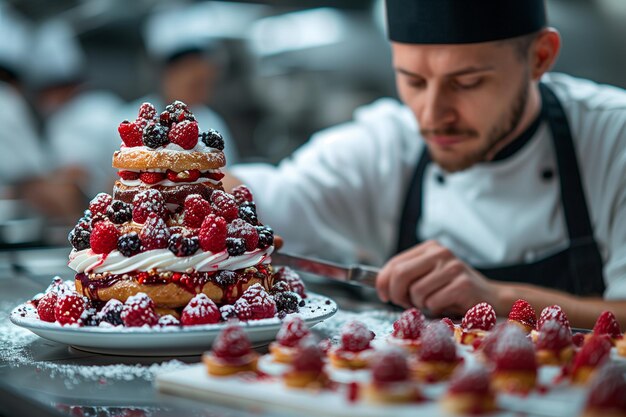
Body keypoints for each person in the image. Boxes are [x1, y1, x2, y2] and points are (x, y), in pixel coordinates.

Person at [224, 0, 626, 328]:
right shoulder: (388, 144)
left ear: (539, 57)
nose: (432, 115)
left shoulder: (612, 138)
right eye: (413, 81)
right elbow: (261, 199)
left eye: (467, 83)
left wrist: (496, 299)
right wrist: (180, 169)